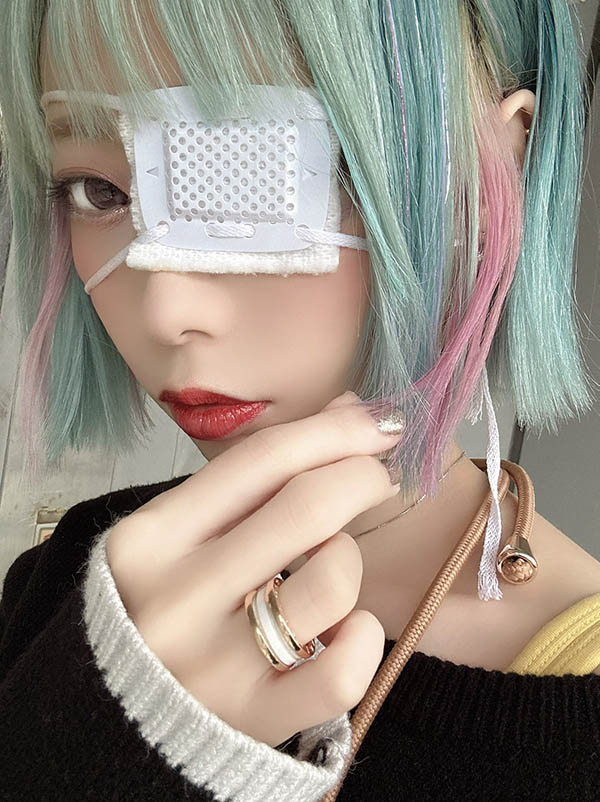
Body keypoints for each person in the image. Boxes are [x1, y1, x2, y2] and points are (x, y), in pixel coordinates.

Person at [1, 0, 599, 799]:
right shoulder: (69, 570)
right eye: (99, 192)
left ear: (492, 178)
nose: (166, 312)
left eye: (265, 175)